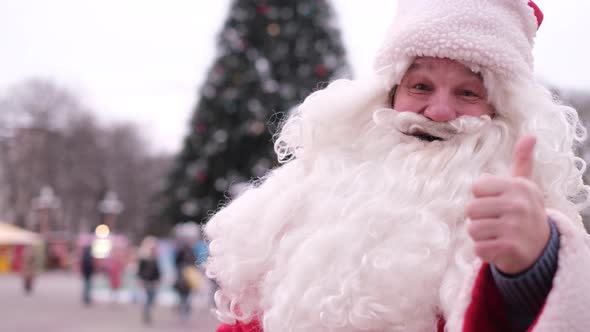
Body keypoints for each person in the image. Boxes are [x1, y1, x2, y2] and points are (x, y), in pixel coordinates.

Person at [204, 1, 590, 331]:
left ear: (501, 111)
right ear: (387, 95)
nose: (439, 112)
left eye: (468, 92)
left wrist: (529, 268)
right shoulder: (303, 197)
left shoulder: (529, 221)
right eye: (420, 86)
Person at [137, 236, 161, 324]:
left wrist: (158, 279)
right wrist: (140, 280)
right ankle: (146, 313)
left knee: (152, 299)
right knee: (147, 298)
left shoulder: (155, 258)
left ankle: (148, 311)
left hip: (153, 281)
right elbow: (140, 271)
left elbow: (158, 271)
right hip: (146, 281)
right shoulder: (143, 259)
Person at [174, 243, 197, 321]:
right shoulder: (182, 267)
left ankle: (184, 312)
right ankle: (183, 312)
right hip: (183, 283)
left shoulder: (188, 255)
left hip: (187, 282)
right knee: (184, 299)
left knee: (185, 299)